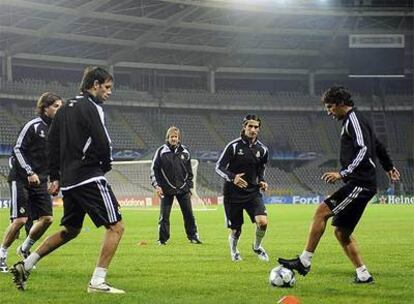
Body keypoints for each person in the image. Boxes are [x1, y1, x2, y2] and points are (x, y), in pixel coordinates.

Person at [10, 66, 125, 294]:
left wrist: (55, 176)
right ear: (95, 85)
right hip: (89, 176)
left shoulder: (63, 110)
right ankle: (97, 282)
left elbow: (52, 143)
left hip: (70, 181)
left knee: (70, 230)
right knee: (116, 227)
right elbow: (102, 140)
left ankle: (27, 264)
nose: (109, 92)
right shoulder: (93, 107)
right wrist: (105, 165)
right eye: (108, 87)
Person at [278, 86, 400, 283]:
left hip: (360, 182)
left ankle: (304, 261)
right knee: (342, 232)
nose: (328, 112)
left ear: (341, 104)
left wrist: (343, 173)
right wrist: (388, 166)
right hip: (362, 182)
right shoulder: (357, 120)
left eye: (330, 107)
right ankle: (364, 275)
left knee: (321, 212)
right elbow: (377, 145)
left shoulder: (354, 120)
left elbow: (364, 150)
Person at [0, 93, 63, 273]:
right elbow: (17, 149)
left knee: (47, 219)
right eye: (56, 106)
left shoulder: (57, 132)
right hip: (21, 178)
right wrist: (29, 171)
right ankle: (1, 255)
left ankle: (25, 247)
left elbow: (54, 159)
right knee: (20, 220)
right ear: (45, 108)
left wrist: (55, 179)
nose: (59, 110)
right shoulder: (33, 126)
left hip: (41, 181)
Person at [215, 114, 269, 262]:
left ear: (259, 129)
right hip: (233, 194)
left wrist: (262, 180)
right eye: (250, 126)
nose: (253, 129)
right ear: (244, 127)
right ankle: (234, 251)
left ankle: (257, 247)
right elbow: (219, 167)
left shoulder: (263, 150)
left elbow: (261, 169)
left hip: (252, 192)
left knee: (263, 222)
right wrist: (233, 177)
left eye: (256, 127)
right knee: (236, 230)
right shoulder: (233, 146)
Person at [150, 126, 202, 245]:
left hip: (183, 189)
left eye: (176, 137)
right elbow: (154, 170)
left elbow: (189, 172)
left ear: (179, 138)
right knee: (164, 216)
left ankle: (193, 236)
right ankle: (162, 239)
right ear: (167, 138)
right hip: (166, 189)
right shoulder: (161, 152)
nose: (174, 139)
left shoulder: (185, 151)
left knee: (189, 214)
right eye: (171, 137)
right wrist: (157, 186)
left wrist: (189, 187)